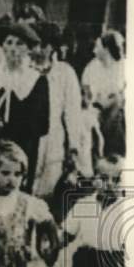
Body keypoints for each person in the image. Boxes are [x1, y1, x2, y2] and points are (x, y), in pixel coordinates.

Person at [0, 21, 50, 193]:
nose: (13, 48)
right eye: (9, 42)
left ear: (29, 49)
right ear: (2, 46)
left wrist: (9, 133)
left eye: (19, 43)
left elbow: (41, 125)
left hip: (22, 147)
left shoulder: (36, 80)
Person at [30, 21, 86, 202]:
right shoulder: (26, 70)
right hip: (28, 137)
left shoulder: (65, 73)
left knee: (46, 191)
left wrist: (74, 146)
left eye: (41, 45)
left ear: (51, 47)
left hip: (53, 139)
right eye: (33, 45)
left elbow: (72, 111)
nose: (36, 50)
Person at [81, 30, 125, 158]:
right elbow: (87, 94)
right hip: (95, 110)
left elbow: (122, 94)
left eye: (97, 46)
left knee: (117, 105)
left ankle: (113, 153)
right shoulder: (91, 67)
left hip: (115, 112)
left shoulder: (123, 67)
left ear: (106, 49)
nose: (94, 50)